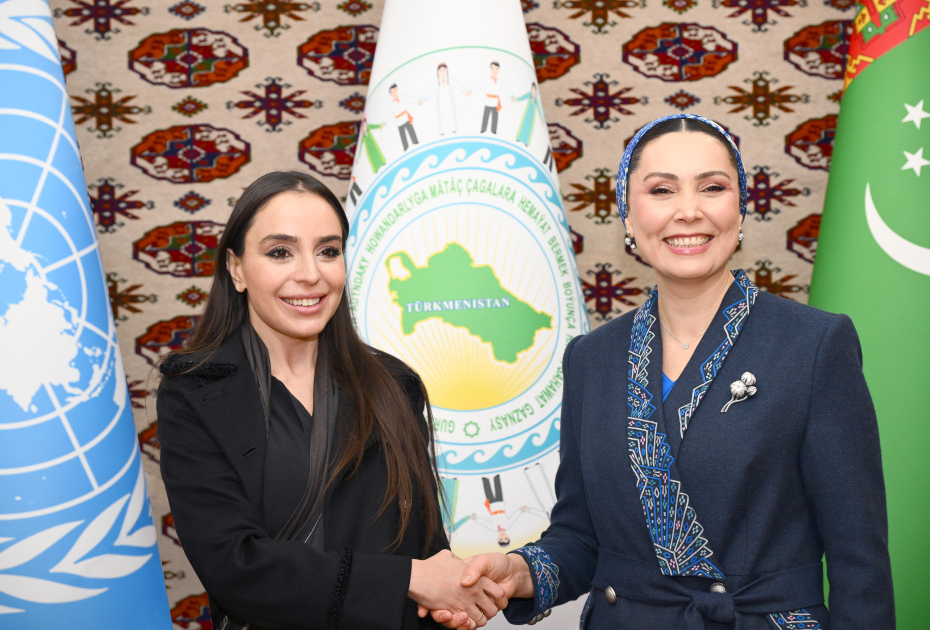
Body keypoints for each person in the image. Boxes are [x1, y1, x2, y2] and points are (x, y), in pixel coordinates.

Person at [430, 114, 895, 629]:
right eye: (661, 190)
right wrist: (519, 573)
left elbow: (861, 567)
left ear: (741, 208)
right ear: (628, 217)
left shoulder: (814, 345)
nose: (689, 211)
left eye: (712, 187)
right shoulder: (591, 358)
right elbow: (581, 538)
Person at [157, 171, 505, 630]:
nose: (310, 274)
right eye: (280, 252)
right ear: (236, 269)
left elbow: (426, 552)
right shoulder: (194, 391)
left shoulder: (394, 384)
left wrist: (449, 602)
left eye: (328, 251)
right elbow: (233, 569)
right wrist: (408, 579)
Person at [421, 63, 467, 136]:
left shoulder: (450, 80)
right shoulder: (437, 82)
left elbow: (458, 86)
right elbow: (430, 92)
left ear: (447, 71)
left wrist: (465, 91)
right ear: (437, 72)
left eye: (444, 70)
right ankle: (443, 130)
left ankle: (453, 128)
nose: (442, 72)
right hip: (441, 102)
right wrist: (424, 100)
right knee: (442, 116)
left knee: (450, 114)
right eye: (440, 70)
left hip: (449, 101)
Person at [468, 61, 513, 135]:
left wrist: (511, 96)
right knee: (486, 116)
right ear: (490, 69)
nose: (494, 70)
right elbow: (479, 86)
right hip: (488, 101)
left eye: (496, 68)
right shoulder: (487, 80)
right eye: (492, 68)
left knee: (495, 117)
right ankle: (483, 129)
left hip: (495, 102)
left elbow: (506, 89)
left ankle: (493, 130)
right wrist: (471, 91)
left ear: (498, 70)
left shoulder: (500, 81)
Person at [389, 83, 420, 151]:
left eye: (394, 90)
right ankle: (406, 148)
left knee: (411, 130)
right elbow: (388, 114)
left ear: (397, 90)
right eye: (391, 92)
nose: (393, 93)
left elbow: (410, 100)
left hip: (405, 118)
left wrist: (417, 100)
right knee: (402, 135)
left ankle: (415, 142)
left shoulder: (402, 98)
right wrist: (384, 123)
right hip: (398, 121)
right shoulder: (391, 104)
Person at [514, 83, 544, 147]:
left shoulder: (536, 100)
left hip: (532, 116)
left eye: (534, 90)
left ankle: (526, 141)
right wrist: (516, 99)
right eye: (532, 89)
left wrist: (541, 120)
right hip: (527, 113)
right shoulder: (529, 95)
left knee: (529, 128)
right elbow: (522, 97)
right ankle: (519, 138)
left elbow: (539, 109)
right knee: (524, 125)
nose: (533, 91)